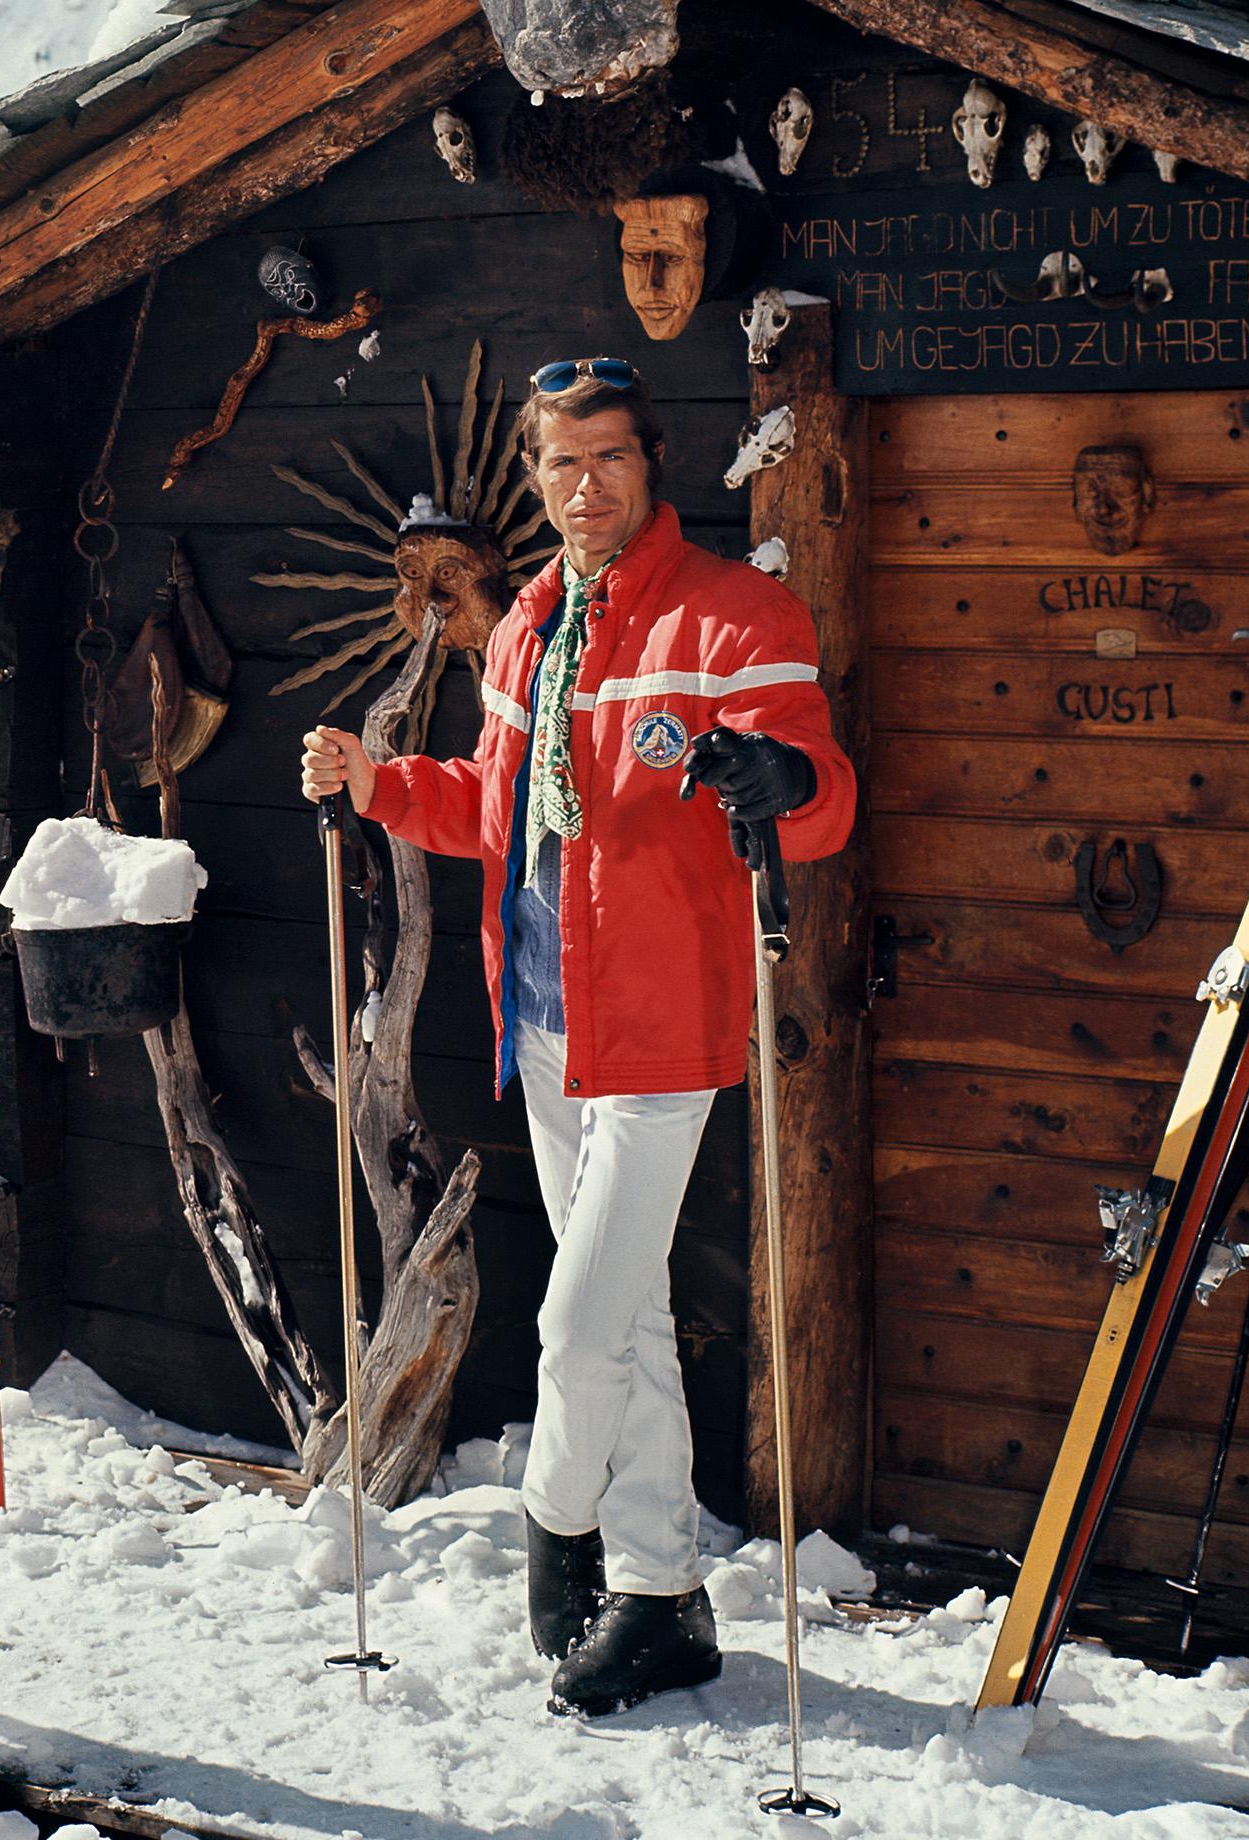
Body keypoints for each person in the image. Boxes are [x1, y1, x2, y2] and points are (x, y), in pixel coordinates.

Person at [301, 355, 853, 1717]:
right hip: (544, 1020)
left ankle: (557, 1521)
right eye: (562, 461)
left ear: (648, 462)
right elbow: (497, 811)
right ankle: (664, 1599)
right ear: (537, 478)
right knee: (636, 1324)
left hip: (665, 1034)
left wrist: (773, 779)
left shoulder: (732, 616)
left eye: (608, 455)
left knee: (577, 1321)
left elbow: (820, 789)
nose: (585, 483)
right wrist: (379, 785)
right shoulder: (524, 631)